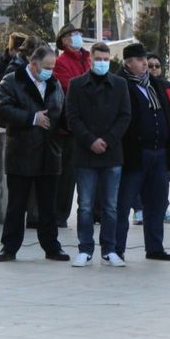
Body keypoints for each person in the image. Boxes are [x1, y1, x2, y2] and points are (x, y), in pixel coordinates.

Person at [0, 47, 70, 262]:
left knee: (48, 205)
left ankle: (51, 246)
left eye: (52, 67)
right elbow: (2, 110)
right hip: (22, 151)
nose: (50, 71)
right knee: (17, 204)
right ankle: (9, 247)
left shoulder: (54, 84)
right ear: (33, 64)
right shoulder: (11, 81)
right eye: (47, 67)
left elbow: (61, 112)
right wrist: (31, 118)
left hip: (50, 152)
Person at [65, 42, 132, 267]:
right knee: (85, 204)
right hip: (85, 154)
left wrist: (108, 140)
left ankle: (109, 249)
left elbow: (125, 116)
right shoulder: (76, 85)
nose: (102, 63)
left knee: (110, 205)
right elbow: (72, 117)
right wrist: (90, 140)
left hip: (112, 154)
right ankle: (85, 249)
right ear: (90, 60)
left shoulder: (120, 85)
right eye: (98, 59)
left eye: (106, 59)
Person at [114, 43, 170, 262]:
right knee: (124, 203)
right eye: (140, 60)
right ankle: (116, 248)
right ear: (128, 63)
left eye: (146, 60)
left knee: (157, 203)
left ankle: (154, 247)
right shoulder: (120, 84)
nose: (144, 64)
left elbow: (168, 116)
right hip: (135, 154)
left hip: (159, 153)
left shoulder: (156, 85)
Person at [52, 24, 91, 228]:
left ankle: (94, 212)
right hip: (70, 127)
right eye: (73, 34)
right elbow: (70, 89)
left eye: (78, 34)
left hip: (92, 124)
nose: (77, 37)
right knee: (68, 174)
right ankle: (60, 215)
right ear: (65, 40)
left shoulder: (88, 58)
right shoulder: (62, 63)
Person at [146, 53, 170, 224]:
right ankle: (140, 209)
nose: (154, 69)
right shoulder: (139, 86)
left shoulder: (168, 87)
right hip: (145, 142)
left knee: (164, 178)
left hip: (165, 142)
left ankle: (163, 208)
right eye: (150, 65)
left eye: (157, 66)